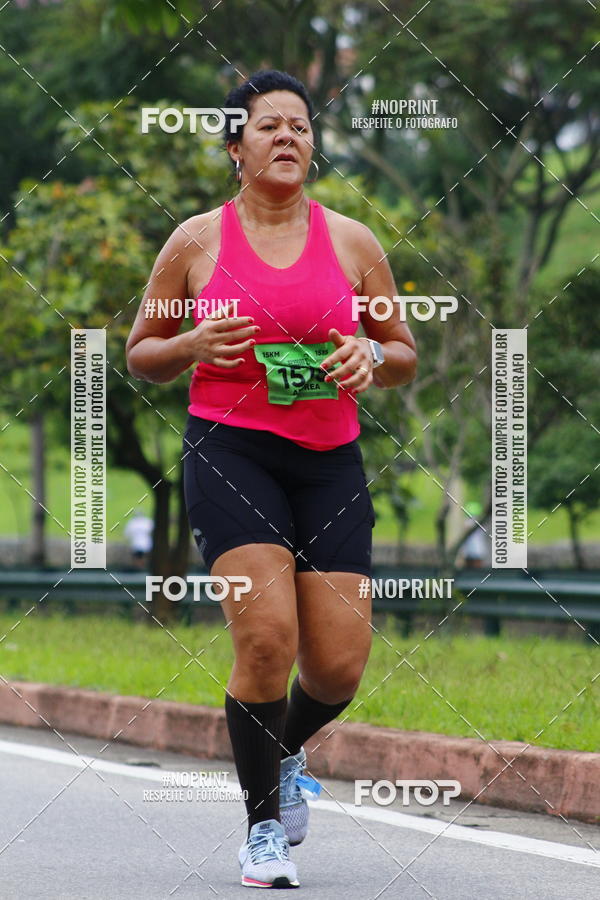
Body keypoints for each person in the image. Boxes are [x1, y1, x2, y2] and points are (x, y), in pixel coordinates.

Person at [126, 69, 417, 889]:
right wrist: (189, 347)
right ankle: (261, 832)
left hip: (330, 459)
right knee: (265, 641)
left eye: (300, 125)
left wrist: (373, 355)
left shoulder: (355, 242)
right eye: (268, 126)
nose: (288, 136)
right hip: (231, 450)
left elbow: (402, 353)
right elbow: (141, 353)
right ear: (235, 147)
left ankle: (285, 753)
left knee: (338, 668)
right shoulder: (194, 242)